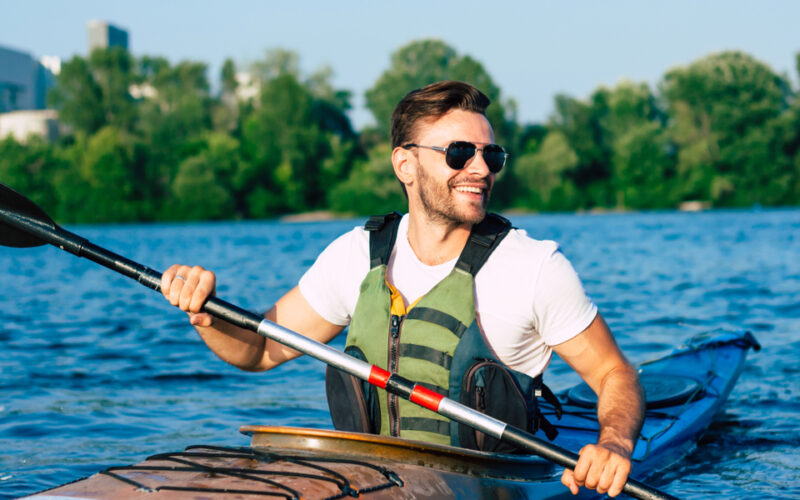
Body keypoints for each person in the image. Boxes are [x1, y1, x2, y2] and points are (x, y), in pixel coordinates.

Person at [161, 80, 645, 497]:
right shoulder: (356, 256)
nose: (481, 169)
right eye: (459, 153)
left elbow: (614, 374)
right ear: (405, 165)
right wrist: (206, 315)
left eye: (491, 155)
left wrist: (614, 444)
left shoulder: (533, 267)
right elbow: (259, 350)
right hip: (368, 481)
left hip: (492, 488)